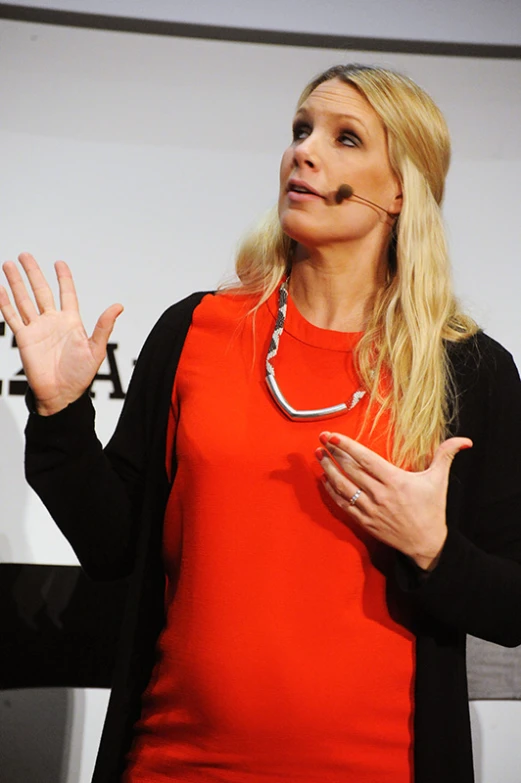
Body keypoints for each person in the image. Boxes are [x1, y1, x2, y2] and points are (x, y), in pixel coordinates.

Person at [1, 63, 521, 783]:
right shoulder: (195, 329)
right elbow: (113, 543)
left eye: (345, 138)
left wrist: (432, 547)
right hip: (175, 764)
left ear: (401, 189)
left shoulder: (471, 370)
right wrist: (60, 413)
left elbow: (510, 602)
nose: (304, 151)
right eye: (300, 130)